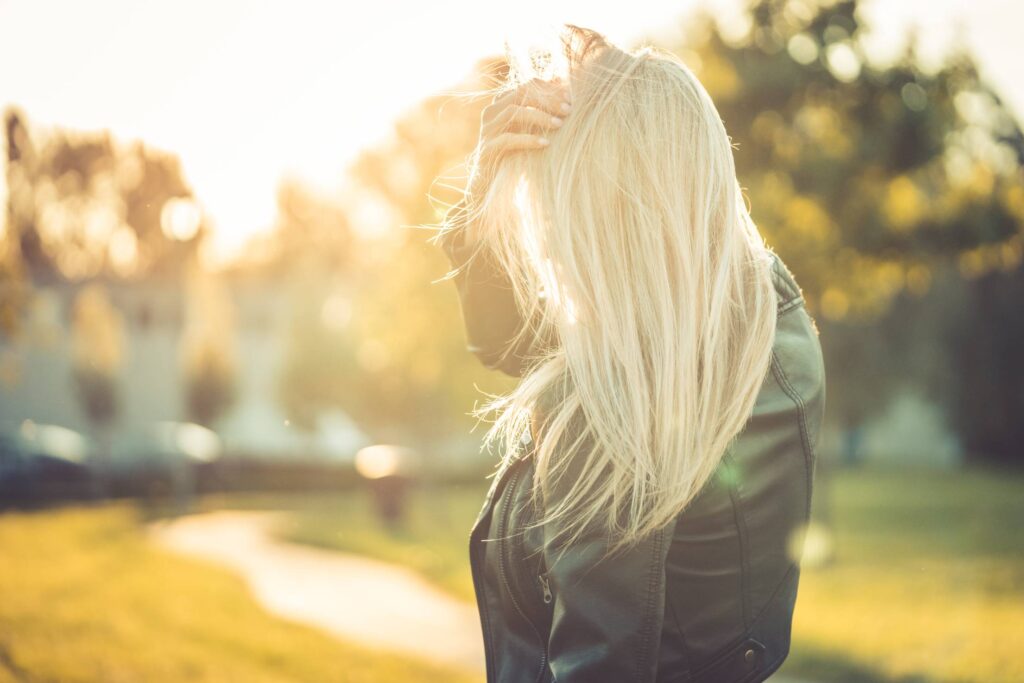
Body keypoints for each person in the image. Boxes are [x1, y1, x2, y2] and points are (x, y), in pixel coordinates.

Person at [431, 24, 826, 683]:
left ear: (600, 207)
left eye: (553, 204)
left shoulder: (624, 396)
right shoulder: (768, 325)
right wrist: (480, 207)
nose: (546, 243)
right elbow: (507, 339)